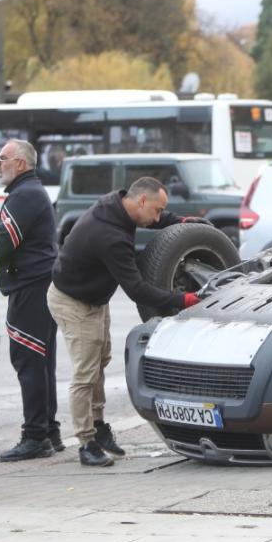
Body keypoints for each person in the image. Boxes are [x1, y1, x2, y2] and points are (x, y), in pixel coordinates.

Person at [47, 177, 202, 468]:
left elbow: (154, 220)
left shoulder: (120, 203)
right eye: (157, 210)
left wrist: (180, 221)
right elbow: (137, 289)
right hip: (73, 301)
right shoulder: (110, 235)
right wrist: (183, 300)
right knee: (85, 373)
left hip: (93, 296)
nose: (158, 217)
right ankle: (86, 442)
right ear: (141, 201)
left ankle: (99, 425)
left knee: (100, 359)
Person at [0, 139, 63, 462]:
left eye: (3, 158)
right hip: (41, 285)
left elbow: (2, 244)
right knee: (41, 360)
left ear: (21, 163)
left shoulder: (25, 195)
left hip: (32, 287)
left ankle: (35, 436)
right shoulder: (32, 192)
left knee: (29, 359)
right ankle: (48, 431)